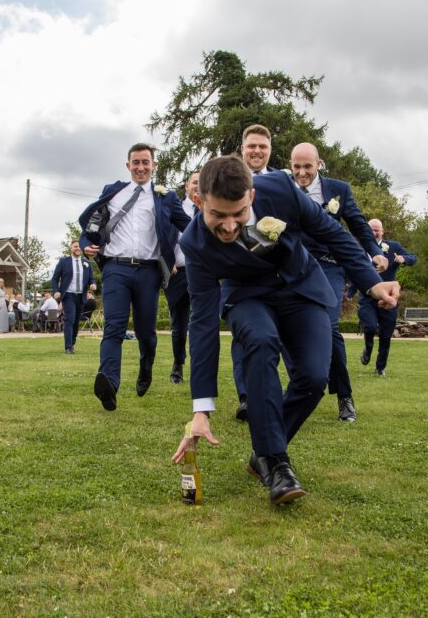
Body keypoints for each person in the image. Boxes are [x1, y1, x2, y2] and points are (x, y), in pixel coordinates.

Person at [171, 156, 400, 506]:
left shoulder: (279, 189)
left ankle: (261, 452)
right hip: (247, 296)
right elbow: (201, 323)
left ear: (252, 194)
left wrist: (372, 283)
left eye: (239, 214)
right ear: (200, 201)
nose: (230, 227)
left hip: (300, 287)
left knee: (312, 377)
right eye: (218, 215)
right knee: (261, 341)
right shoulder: (194, 244)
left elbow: (332, 233)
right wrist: (201, 409)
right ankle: (276, 461)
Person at [79, 142, 191, 411]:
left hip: (149, 271)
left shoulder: (166, 197)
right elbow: (91, 226)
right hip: (116, 268)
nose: (141, 167)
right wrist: (85, 244)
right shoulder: (113, 192)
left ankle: (146, 368)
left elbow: (189, 226)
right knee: (114, 327)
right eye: (136, 162)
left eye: (145, 162)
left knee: (146, 333)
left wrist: (216, 229)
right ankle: (109, 383)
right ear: (128, 166)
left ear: (153, 165)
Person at [290, 142, 387, 423]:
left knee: (329, 326)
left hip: (330, 266)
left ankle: (344, 395)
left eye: (307, 166)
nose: (302, 172)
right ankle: (301, 390)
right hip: (295, 265)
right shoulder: (284, 185)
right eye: (297, 166)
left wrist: (376, 251)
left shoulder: (338, 190)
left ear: (319, 164)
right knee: (291, 328)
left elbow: (357, 225)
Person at [232, 124, 280, 420]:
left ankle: (270, 393)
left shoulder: (281, 182)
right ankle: (247, 397)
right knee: (244, 337)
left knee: (272, 337)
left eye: (262, 146)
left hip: (276, 272)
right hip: (237, 272)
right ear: (243, 148)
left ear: (270, 150)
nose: (257, 151)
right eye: (252, 146)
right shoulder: (228, 178)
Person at [358, 219, 417, 376]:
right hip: (367, 296)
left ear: (382, 231)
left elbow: (413, 258)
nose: (374, 232)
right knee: (369, 327)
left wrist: (404, 259)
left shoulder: (394, 247)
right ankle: (368, 347)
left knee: (386, 335)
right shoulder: (361, 247)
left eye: (377, 230)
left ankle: (380, 368)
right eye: (371, 229)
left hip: (389, 298)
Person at [165, 171, 200, 384]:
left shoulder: (210, 208)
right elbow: (162, 235)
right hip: (177, 271)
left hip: (202, 272)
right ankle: (178, 364)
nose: (197, 185)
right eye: (194, 182)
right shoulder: (173, 208)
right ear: (187, 186)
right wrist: (167, 260)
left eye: (201, 182)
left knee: (202, 321)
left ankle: (201, 366)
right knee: (179, 323)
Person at [51, 239, 97, 354]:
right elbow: (55, 278)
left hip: (81, 296)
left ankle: (72, 342)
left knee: (76, 321)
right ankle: (68, 347)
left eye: (79, 246)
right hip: (68, 295)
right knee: (69, 319)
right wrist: (56, 291)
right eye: (75, 246)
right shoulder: (64, 262)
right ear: (71, 248)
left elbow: (91, 277)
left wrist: (92, 284)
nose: (77, 248)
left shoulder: (86, 263)